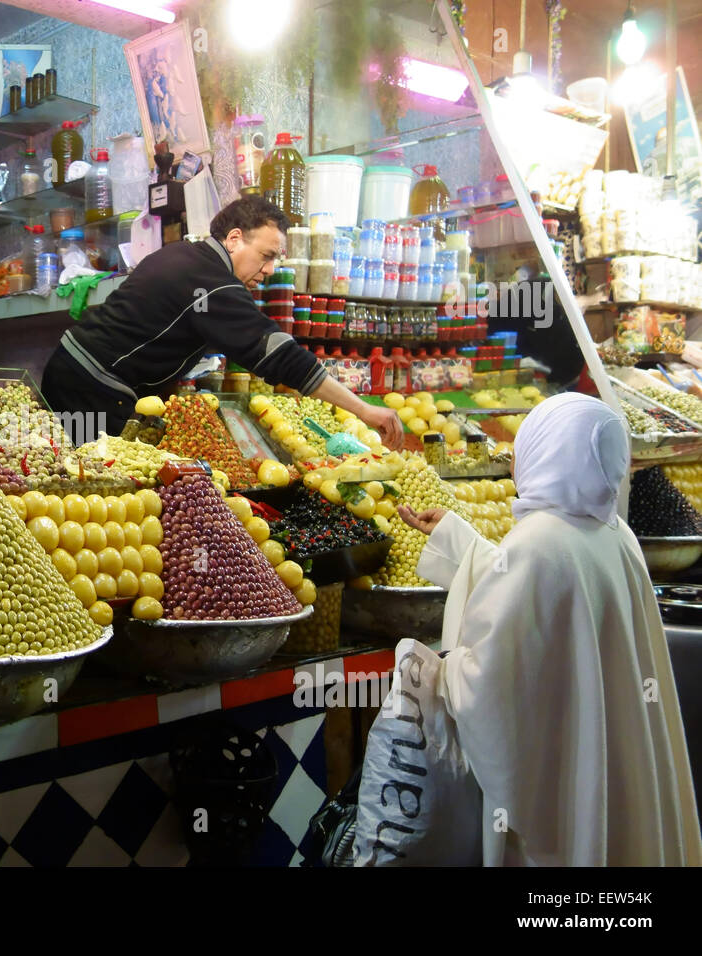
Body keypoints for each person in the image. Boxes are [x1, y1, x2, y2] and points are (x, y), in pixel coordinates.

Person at [397, 393, 701, 866]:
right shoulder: (616, 534)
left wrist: (434, 668)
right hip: (612, 761)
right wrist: (457, 538)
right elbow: (537, 592)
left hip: (562, 777)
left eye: (526, 442)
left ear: (550, 451)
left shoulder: (538, 542)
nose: (516, 456)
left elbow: (488, 683)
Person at [41, 196, 403, 447]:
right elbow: (278, 354)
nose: (270, 270)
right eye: (266, 255)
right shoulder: (211, 281)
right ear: (234, 239)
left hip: (75, 372)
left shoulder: (186, 256)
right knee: (91, 487)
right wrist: (364, 409)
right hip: (91, 389)